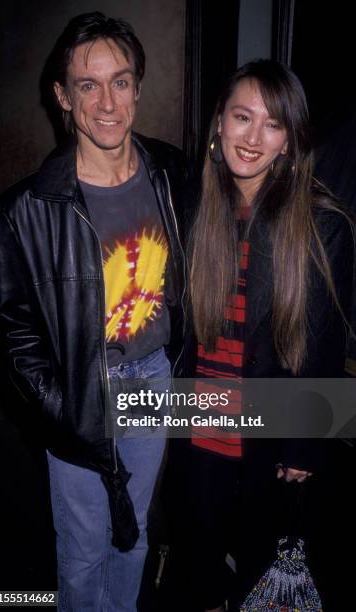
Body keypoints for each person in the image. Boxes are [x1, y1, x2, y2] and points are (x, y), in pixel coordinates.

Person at [0, 12, 186, 612]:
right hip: (80, 390)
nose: (107, 102)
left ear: (138, 88)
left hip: (152, 377)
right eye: (88, 85)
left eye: (120, 82)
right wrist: (61, 406)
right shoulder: (25, 209)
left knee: (134, 536)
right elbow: (12, 330)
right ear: (63, 97)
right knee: (82, 551)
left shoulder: (170, 171)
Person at [182, 60, 354, 611]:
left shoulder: (321, 221)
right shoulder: (197, 208)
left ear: (289, 140)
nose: (253, 137)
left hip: (269, 438)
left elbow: (326, 348)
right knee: (201, 575)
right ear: (220, 124)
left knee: (261, 580)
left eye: (273, 124)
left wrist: (305, 445)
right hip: (199, 431)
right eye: (242, 117)